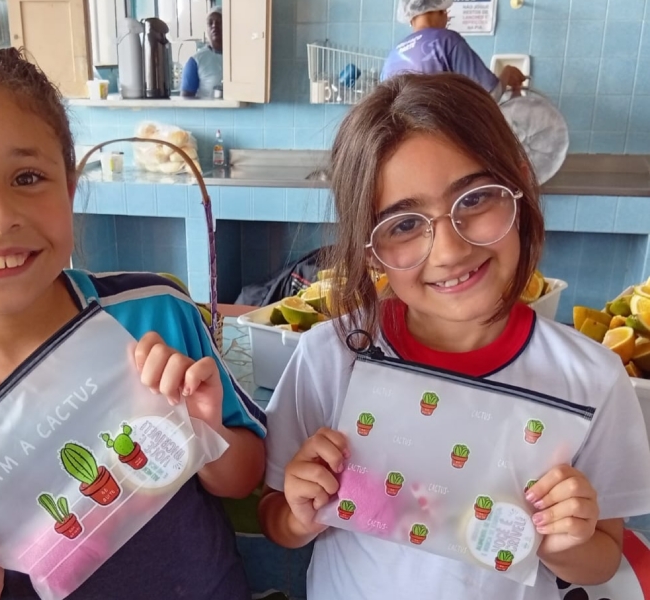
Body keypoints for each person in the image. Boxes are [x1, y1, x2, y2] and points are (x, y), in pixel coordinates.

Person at [0, 39, 266, 600]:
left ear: (69, 189)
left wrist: (204, 428)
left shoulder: (154, 314)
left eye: (27, 177)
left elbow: (243, 476)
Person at [257, 73, 650, 600]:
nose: (449, 250)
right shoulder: (330, 358)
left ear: (519, 186)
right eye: (403, 225)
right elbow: (275, 516)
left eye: (475, 198)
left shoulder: (591, 379)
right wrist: (299, 515)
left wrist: (564, 541)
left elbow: (603, 557)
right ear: (370, 248)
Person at [381, 0, 526, 100]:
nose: (447, 18)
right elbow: (490, 95)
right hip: (442, 133)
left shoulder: (392, 57)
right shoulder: (447, 40)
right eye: (445, 12)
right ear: (438, 10)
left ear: (411, 18)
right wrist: (507, 73)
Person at [181, 6, 223, 98]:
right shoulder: (196, 61)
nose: (214, 26)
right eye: (210, 23)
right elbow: (186, 99)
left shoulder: (239, 57)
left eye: (219, 22)